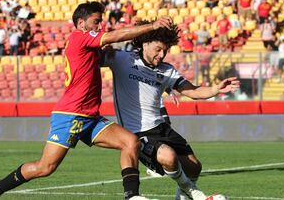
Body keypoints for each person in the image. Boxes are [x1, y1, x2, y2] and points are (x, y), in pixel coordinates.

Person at [0, 1, 172, 200]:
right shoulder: (79, 37)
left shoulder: (89, 46)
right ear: (81, 23)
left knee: (130, 142)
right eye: (96, 22)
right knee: (45, 167)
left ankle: (131, 196)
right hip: (70, 114)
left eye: (101, 22)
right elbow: (115, 36)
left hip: (90, 117)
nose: (100, 26)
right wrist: (152, 26)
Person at [102, 21, 240, 200]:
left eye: (165, 50)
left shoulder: (167, 70)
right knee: (169, 157)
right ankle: (193, 192)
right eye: (158, 49)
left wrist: (215, 89)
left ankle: (181, 196)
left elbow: (193, 91)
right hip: (137, 131)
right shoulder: (121, 59)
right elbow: (89, 57)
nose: (162, 55)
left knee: (194, 166)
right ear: (145, 43)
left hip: (161, 128)